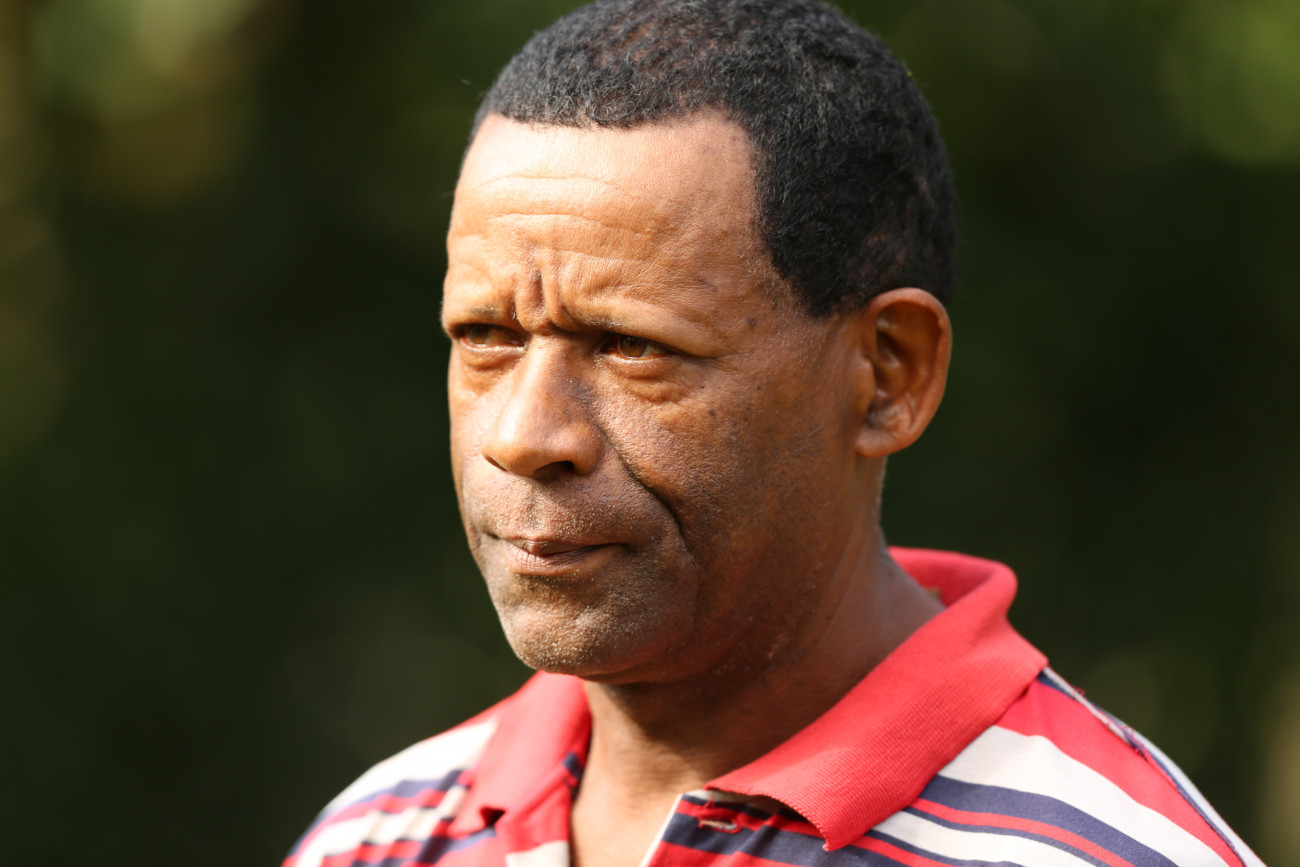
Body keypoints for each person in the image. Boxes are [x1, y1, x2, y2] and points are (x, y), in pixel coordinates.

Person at [284, 0, 1263, 864]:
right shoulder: (380, 839)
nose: (524, 434)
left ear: (887, 375)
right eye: (485, 337)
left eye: (632, 346)